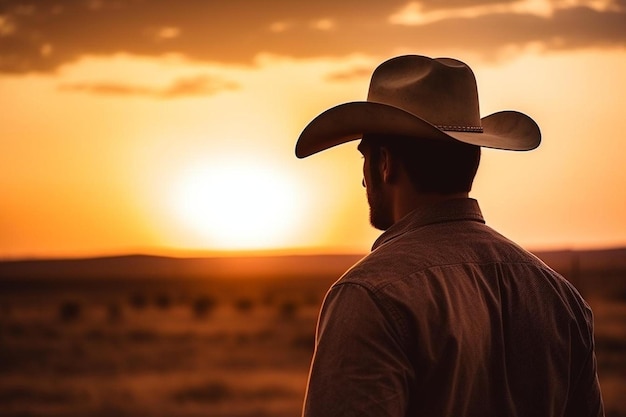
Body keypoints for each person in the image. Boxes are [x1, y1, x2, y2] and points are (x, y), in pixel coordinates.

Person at [294, 55, 604, 417]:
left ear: (384, 162)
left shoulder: (370, 296)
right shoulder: (560, 298)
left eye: (364, 157)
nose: (363, 179)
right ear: (473, 158)